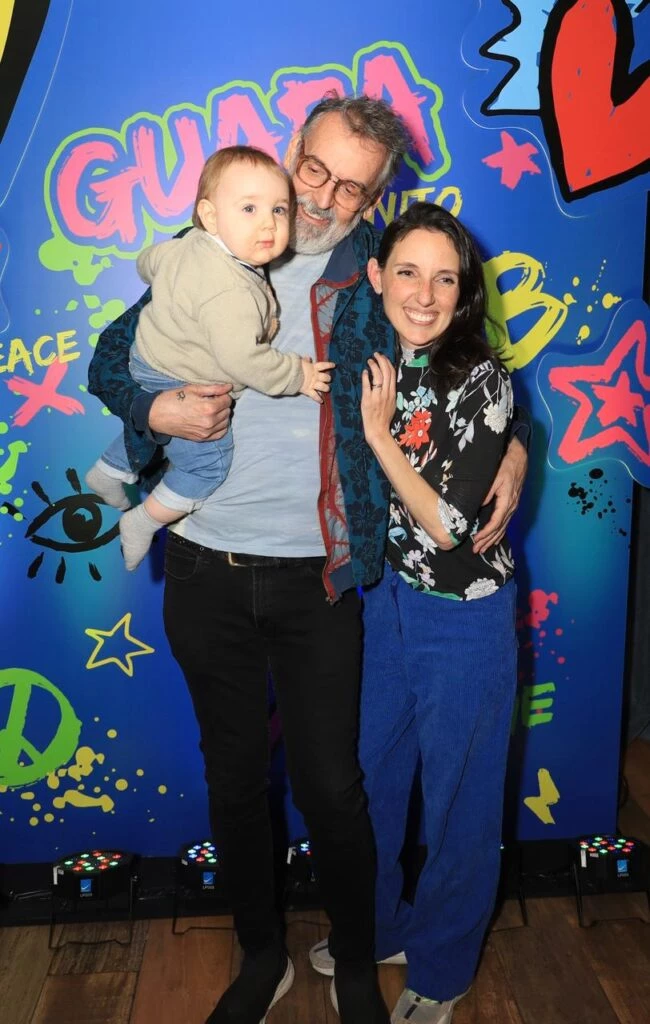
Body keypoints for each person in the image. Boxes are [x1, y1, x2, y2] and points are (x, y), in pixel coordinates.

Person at [88, 95, 528, 1024]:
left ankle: (362, 957)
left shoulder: (370, 280)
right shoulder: (212, 243)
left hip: (324, 578)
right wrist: (153, 411)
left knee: (338, 786)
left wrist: (516, 443)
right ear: (293, 154)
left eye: (352, 186)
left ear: (375, 200)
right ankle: (261, 956)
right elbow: (112, 358)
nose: (322, 196)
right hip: (206, 565)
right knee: (234, 778)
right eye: (315, 171)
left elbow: (456, 349)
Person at [361, 202, 517, 1024]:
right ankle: (386, 928)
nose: (424, 293)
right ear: (379, 276)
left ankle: (446, 964)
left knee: (457, 792)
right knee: (371, 774)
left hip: (463, 612)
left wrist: (384, 440)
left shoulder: (482, 377)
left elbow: (453, 530)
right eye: (409, 271)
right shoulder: (369, 352)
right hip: (381, 600)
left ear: (465, 295)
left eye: (445, 278)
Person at [85, 146, 332, 571]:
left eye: (278, 210)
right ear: (211, 215)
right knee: (206, 467)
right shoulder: (231, 291)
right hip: (179, 375)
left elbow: (150, 261)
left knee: (159, 430)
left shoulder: (192, 245)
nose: (268, 225)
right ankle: (142, 522)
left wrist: (165, 283)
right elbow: (245, 361)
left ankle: (108, 472)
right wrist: (299, 374)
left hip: (147, 358)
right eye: (249, 209)